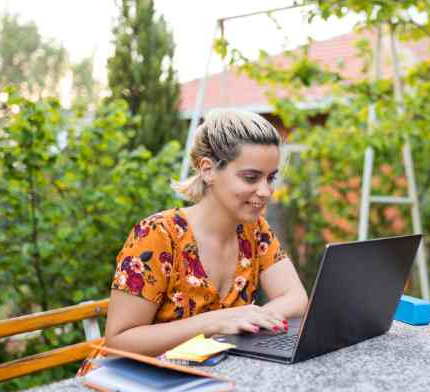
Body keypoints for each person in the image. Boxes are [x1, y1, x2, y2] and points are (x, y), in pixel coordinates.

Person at [105, 110, 309, 357]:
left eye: (270, 178)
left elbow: (296, 299)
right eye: (251, 177)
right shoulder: (157, 235)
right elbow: (118, 342)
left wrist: (247, 318)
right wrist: (216, 322)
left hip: (205, 377)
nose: (266, 191)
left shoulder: (255, 232)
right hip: (131, 384)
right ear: (208, 170)